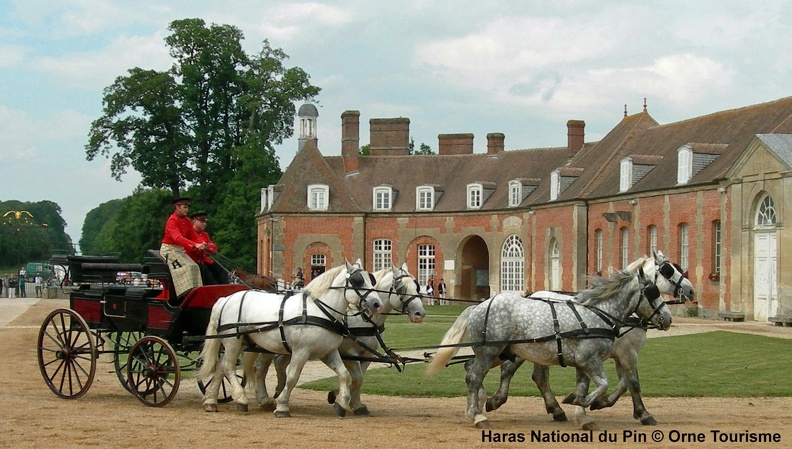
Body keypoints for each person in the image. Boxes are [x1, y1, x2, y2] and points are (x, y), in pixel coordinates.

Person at [160, 197, 207, 298]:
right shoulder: (172, 220)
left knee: (195, 267)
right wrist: (194, 245)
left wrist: (203, 243)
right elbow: (177, 238)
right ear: (177, 207)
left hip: (179, 250)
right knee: (187, 268)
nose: (187, 210)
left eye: (187, 207)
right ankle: (184, 295)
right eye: (184, 207)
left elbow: (194, 236)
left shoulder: (187, 221)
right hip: (169, 250)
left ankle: (196, 293)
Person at [189, 212, 228, 285]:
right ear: (194, 221)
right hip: (195, 260)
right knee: (206, 273)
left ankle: (224, 286)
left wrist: (207, 247)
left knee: (221, 269)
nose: (204, 224)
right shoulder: (190, 233)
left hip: (205, 260)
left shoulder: (205, 234)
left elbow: (214, 248)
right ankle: (214, 287)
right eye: (202, 221)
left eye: (205, 221)